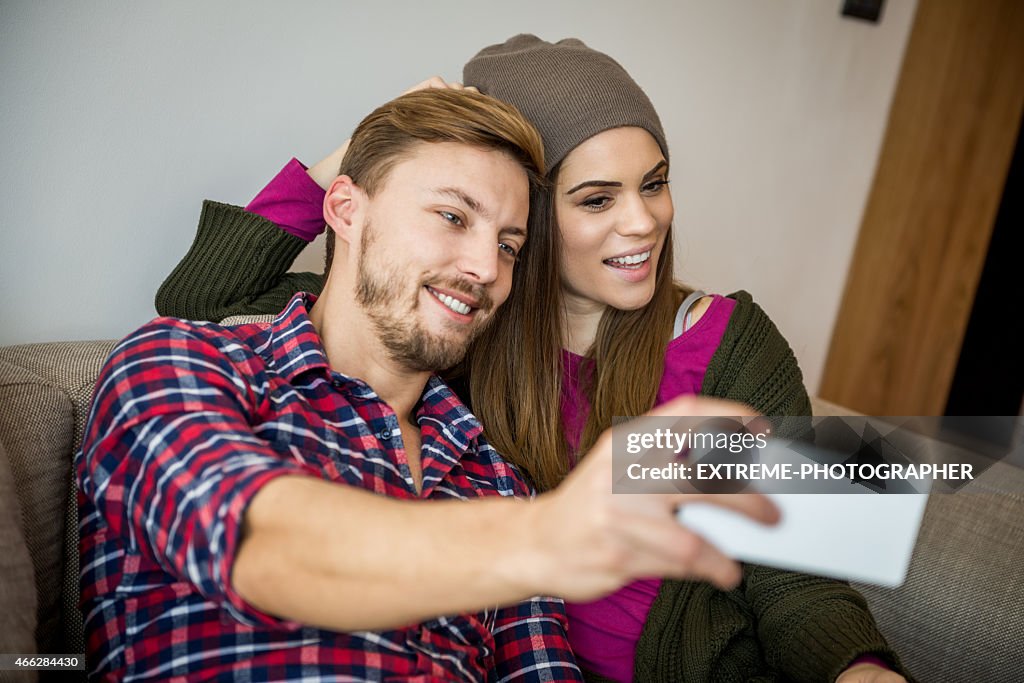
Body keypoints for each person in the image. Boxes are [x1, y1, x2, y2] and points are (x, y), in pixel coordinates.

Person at [154, 36, 913, 683]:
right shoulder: (458, 325)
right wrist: (371, 149)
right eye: (596, 199)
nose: (642, 221)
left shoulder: (722, 343)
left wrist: (860, 669)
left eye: (654, 184)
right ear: (533, 219)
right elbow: (205, 294)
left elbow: (800, 573)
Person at [79, 87, 780, 681]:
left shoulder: (494, 476)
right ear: (346, 209)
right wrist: (545, 535)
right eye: (452, 216)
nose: (483, 266)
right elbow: (261, 545)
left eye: (509, 245)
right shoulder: (178, 365)